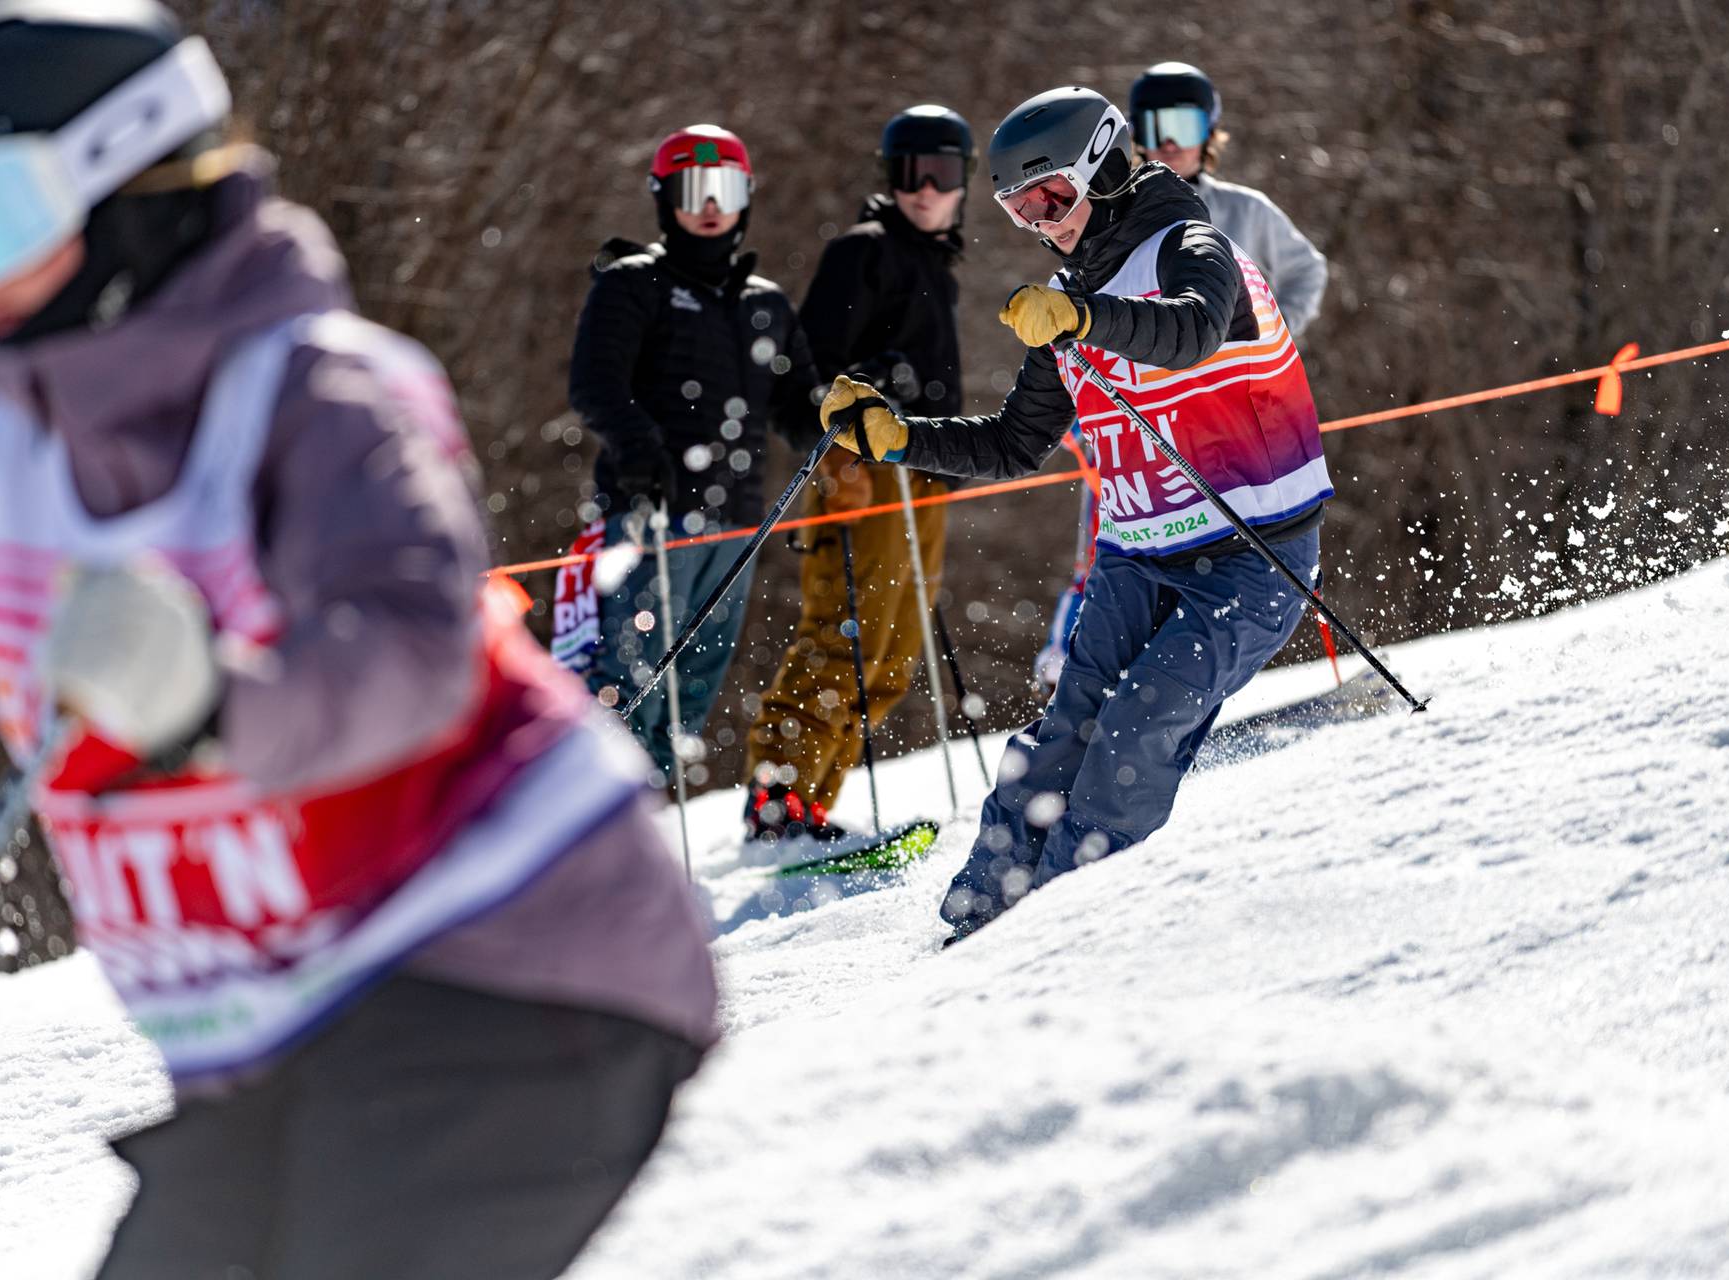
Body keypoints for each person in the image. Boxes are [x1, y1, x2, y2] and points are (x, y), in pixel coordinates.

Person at [0, 4, 715, 1276]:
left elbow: (412, 646)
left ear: (135, 172)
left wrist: (208, 700)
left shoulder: (318, 392)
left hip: (507, 963)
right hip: (280, 1030)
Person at [817, 86, 1333, 941]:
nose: (1042, 221)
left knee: (1134, 732)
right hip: (1137, 558)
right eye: (1019, 210)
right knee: (1062, 733)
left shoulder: (1189, 242)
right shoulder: (1070, 295)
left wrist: (1086, 316)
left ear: (1103, 163)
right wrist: (897, 439)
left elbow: (1194, 331)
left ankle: (1053, 936)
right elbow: (1017, 443)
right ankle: (984, 914)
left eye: (1051, 197)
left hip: (1248, 558)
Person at [1033, 61, 1330, 692]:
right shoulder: (1105, 221)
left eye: (1185, 123)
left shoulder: (1239, 210)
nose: (1169, 139)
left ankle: (1200, 658)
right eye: (1153, 125)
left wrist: (1272, 327)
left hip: (1228, 406)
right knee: (1116, 528)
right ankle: (1074, 654)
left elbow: (1308, 270)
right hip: (1132, 407)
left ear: (1211, 132)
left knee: (1247, 519)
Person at [565, 124, 822, 788]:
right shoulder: (634, 284)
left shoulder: (763, 302)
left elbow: (795, 404)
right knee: (634, 676)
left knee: (695, 684)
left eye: (726, 189)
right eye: (692, 189)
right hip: (652, 515)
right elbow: (595, 386)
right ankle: (597, 821)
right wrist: (639, 447)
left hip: (736, 522)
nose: (710, 205)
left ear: (746, 198)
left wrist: (840, 413)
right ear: (663, 198)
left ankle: (649, 814)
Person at [742, 104, 972, 842]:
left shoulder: (936, 264)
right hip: (865, 470)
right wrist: (865, 394)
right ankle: (778, 796)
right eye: (911, 173)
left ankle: (811, 803)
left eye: (941, 173)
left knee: (895, 657)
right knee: (846, 637)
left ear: (964, 181)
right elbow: (802, 374)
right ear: (890, 176)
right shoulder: (863, 250)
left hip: (924, 471)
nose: (925, 189)